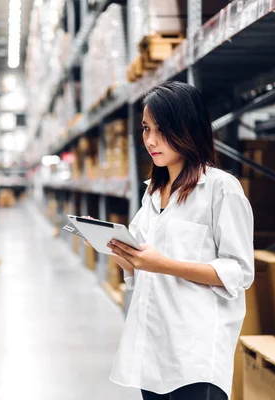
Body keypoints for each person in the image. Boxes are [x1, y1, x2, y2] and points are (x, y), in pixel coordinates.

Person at [107, 82, 254, 400]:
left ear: (187, 128)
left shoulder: (220, 189)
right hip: (154, 350)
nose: (150, 140)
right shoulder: (152, 193)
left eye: (161, 129)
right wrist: (120, 252)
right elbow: (141, 260)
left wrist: (162, 265)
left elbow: (239, 272)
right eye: (146, 129)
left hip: (195, 354)